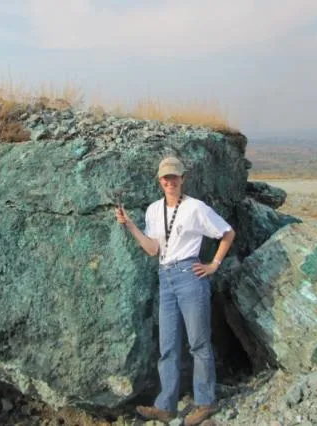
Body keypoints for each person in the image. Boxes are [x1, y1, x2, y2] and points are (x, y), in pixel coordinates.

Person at [114, 156, 235, 426]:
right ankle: (166, 406)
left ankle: (205, 402)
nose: (170, 181)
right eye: (165, 177)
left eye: (175, 177)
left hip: (189, 276)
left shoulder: (195, 208)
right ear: (159, 181)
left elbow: (227, 232)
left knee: (198, 343)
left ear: (183, 179)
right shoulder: (154, 210)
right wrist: (130, 225)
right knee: (167, 346)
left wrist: (213, 264)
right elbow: (153, 249)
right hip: (165, 277)